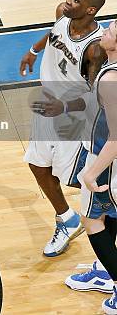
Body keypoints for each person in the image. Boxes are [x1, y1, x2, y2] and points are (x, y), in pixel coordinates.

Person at [20, 0, 106, 256]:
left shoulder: (96, 48)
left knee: (80, 180)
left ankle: (109, 208)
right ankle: (67, 220)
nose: (68, 1)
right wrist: (33, 51)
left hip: (73, 114)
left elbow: (96, 97)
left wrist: (64, 106)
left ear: (90, 10)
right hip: (48, 103)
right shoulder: (62, 13)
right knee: (37, 164)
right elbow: (53, 34)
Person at [61, 20, 117, 314]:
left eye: (111, 31)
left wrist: (91, 171)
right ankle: (105, 271)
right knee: (109, 213)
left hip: (105, 161)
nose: (106, 28)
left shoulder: (111, 79)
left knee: (91, 221)